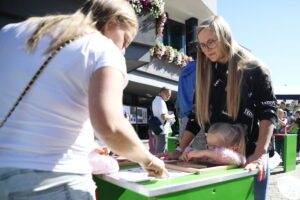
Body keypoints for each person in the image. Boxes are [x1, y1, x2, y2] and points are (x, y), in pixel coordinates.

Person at [0, 0, 168, 199]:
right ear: (112, 22)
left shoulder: (8, 33)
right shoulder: (103, 47)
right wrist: (147, 160)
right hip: (57, 180)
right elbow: (111, 127)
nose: (123, 50)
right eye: (125, 41)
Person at [157, 16, 277, 200]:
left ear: (225, 36)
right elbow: (197, 116)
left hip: (252, 157)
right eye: (202, 45)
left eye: (211, 42)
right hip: (217, 159)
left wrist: (260, 154)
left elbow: (267, 114)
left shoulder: (255, 69)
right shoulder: (206, 72)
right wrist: (180, 150)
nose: (206, 49)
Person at [151, 87, 175, 154]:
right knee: (161, 151)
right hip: (162, 130)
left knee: (158, 149)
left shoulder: (155, 100)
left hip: (157, 128)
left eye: (170, 95)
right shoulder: (161, 102)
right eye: (167, 94)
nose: (168, 96)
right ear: (161, 93)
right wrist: (171, 116)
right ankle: (159, 164)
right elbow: (163, 116)